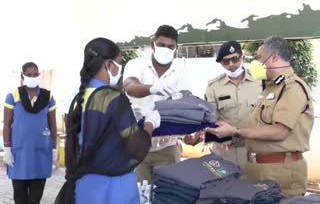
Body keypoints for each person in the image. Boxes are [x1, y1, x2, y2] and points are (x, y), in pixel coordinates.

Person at [205, 36, 314, 198]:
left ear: (274, 56)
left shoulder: (292, 88)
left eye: (260, 58)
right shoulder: (272, 87)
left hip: (280, 171)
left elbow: (280, 132)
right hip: (256, 167)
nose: (258, 63)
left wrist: (235, 130)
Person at [54, 37, 160, 204]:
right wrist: (150, 124)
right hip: (112, 189)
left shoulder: (79, 99)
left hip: (84, 188)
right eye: (119, 63)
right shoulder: (113, 98)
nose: (120, 68)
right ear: (108, 64)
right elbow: (137, 149)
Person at [123, 25, 190, 183]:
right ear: (153, 44)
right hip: (136, 146)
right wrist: (153, 88)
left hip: (167, 147)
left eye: (170, 46)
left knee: (169, 196)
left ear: (176, 48)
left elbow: (186, 105)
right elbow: (130, 86)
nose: (165, 49)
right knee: (138, 197)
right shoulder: (136, 64)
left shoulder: (181, 71)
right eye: (161, 45)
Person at [3, 62, 57, 204]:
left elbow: (53, 125)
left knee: (36, 197)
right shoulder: (13, 96)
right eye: (29, 75)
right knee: (20, 197)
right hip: (19, 155)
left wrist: (54, 147)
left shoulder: (48, 97)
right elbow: (7, 125)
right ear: (22, 76)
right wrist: (7, 148)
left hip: (40, 154)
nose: (33, 77)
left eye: (35, 74)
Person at [205, 40, 262, 168]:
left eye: (235, 59)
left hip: (253, 150)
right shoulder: (213, 87)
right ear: (221, 63)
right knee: (224, 187)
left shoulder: (260, 82)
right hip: (225, 151)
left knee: (254, 186)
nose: (231, 64)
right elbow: (209, 119)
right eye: (226, 61)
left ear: (242, 57)